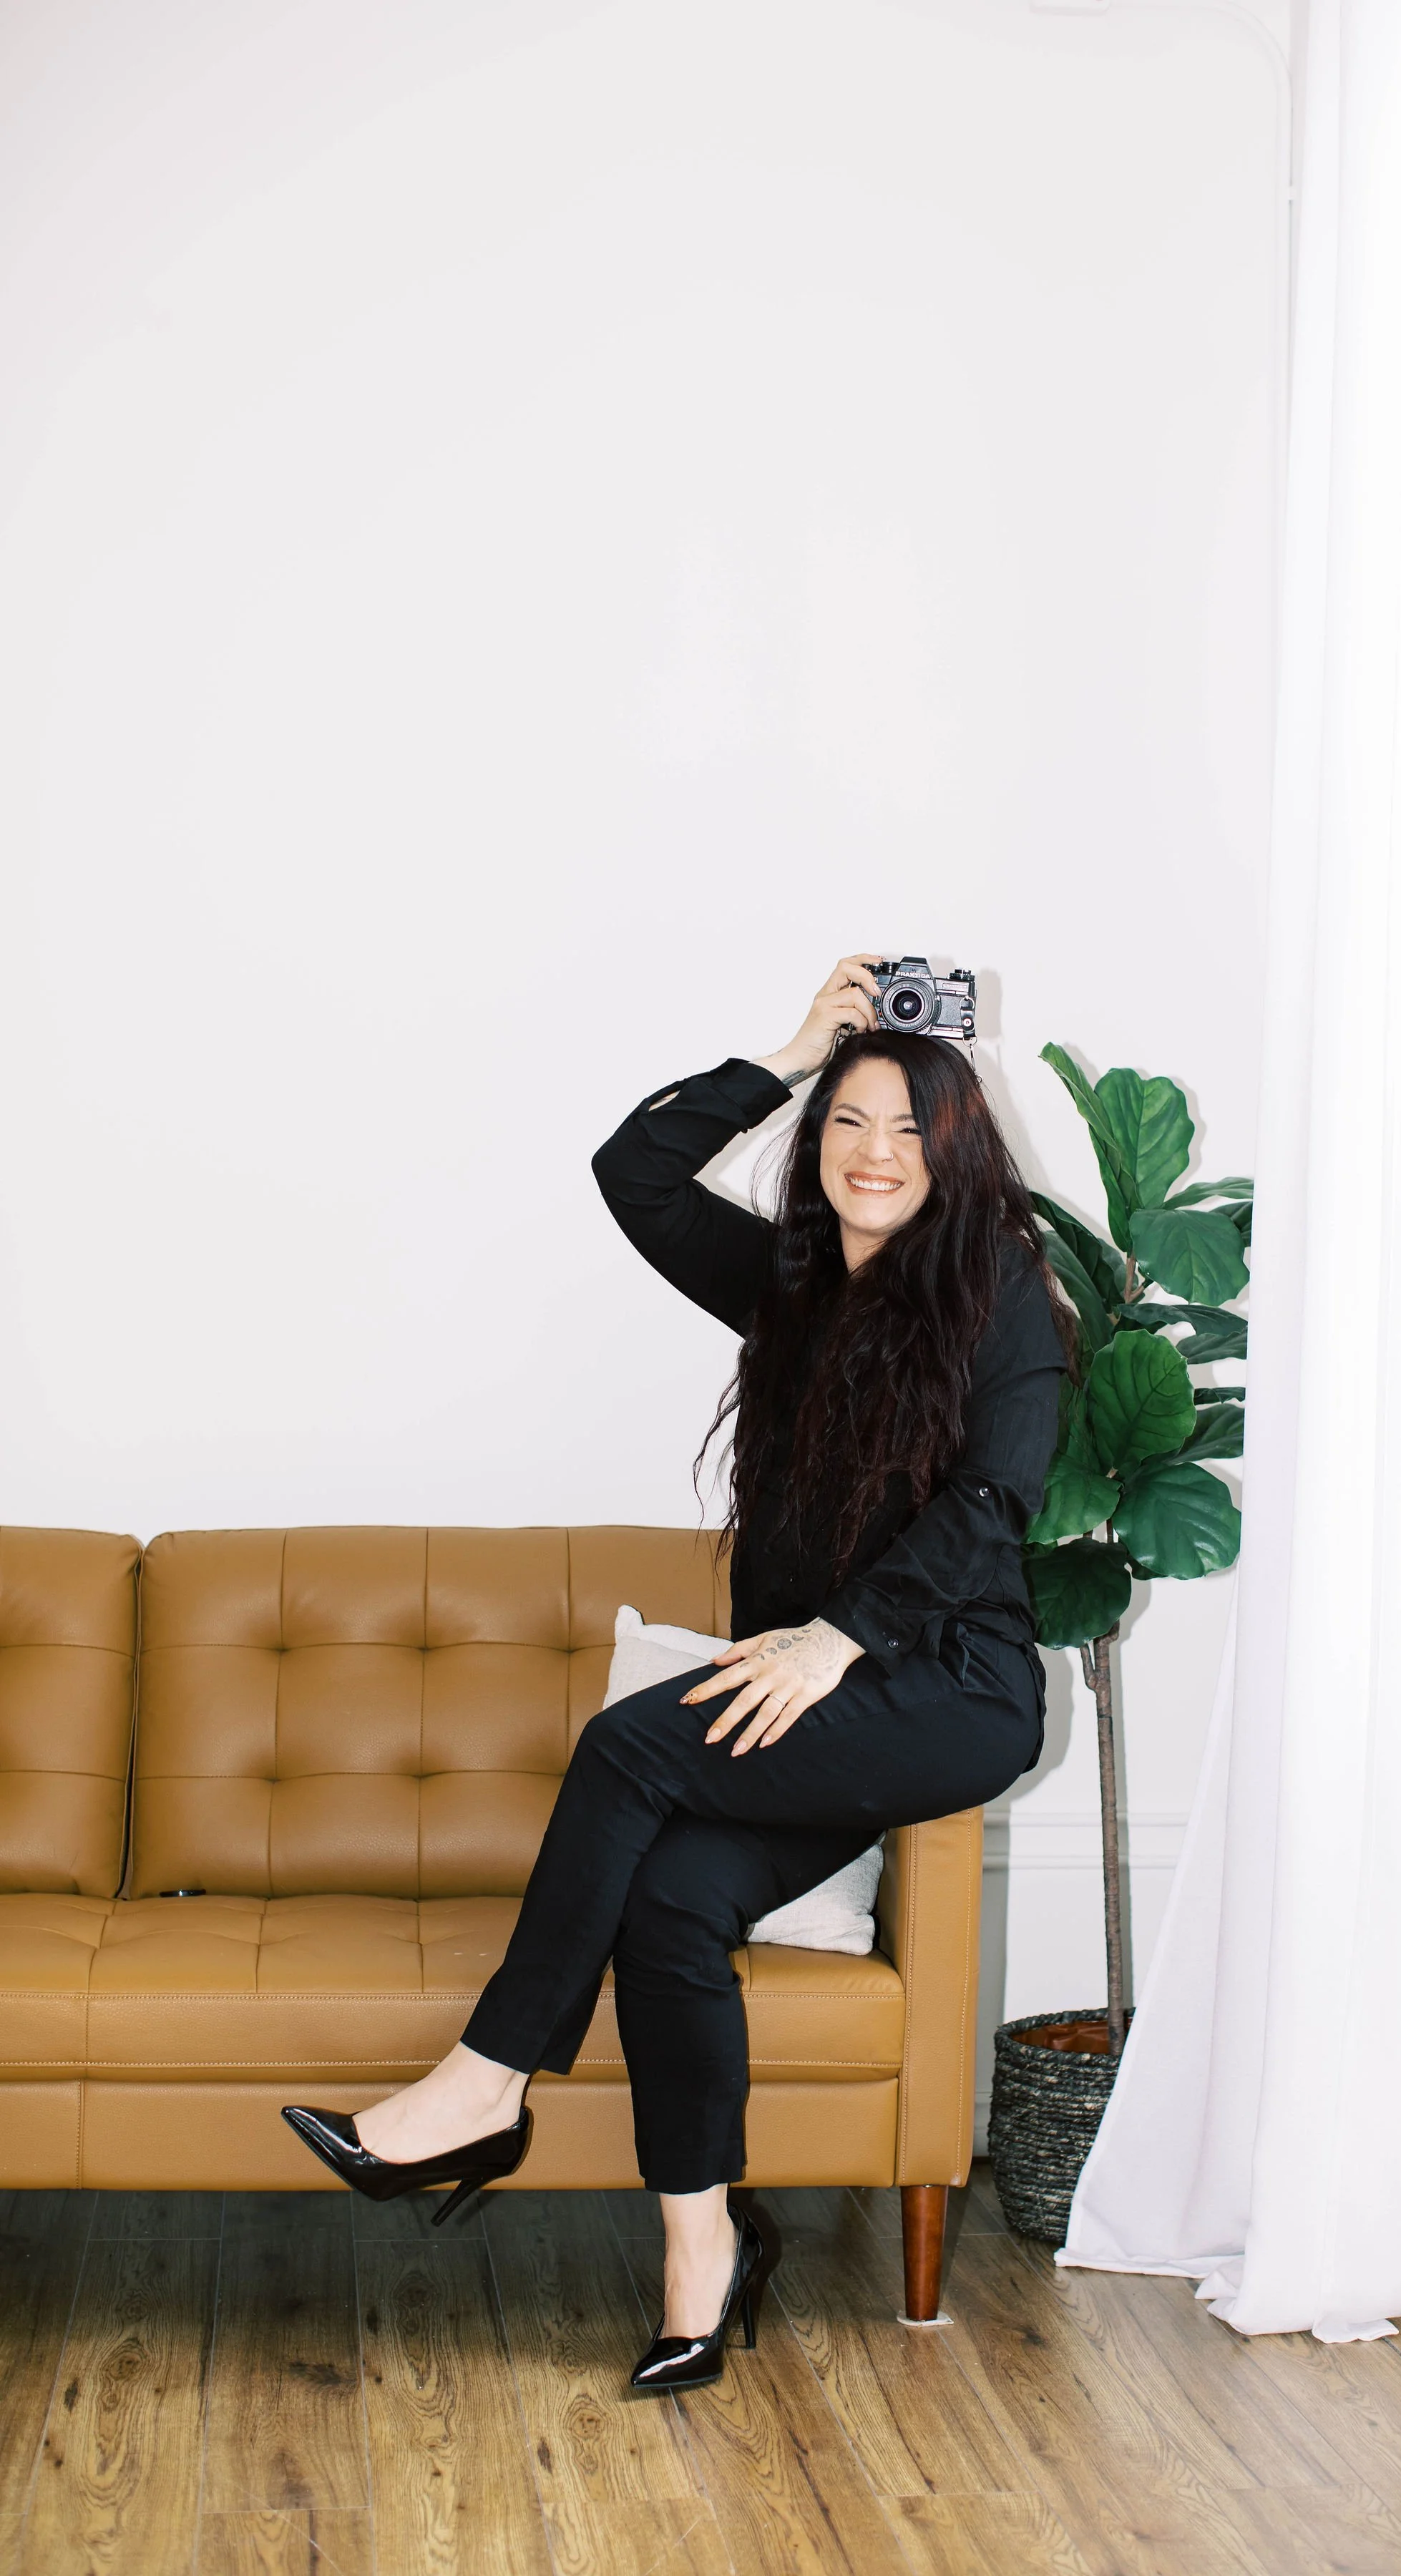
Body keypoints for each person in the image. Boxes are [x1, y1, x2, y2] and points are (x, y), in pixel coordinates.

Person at [283, 956, 1069, 2389]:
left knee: (630, 1745)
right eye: (848, 1121)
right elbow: (633, 1172)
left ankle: (484, 2083)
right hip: (817, 1700)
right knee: (671, 1901)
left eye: (907, 1128)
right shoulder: (789, 1289)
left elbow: (990, 1507)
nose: (875, 1154)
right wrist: (790, 1049)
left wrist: (843, 1638)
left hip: (944, 1690)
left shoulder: (1002, 1294)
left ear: (954, 1150)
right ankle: (703, 2260)